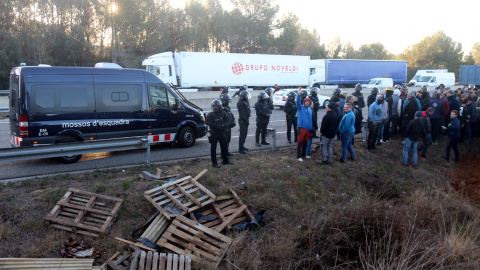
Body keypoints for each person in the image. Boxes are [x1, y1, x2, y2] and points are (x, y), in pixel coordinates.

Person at [206, 100, 233, 168]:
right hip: (214, 133)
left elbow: (228, 122)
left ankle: (225, 160)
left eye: (217, 106)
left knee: (224, 147)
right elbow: (209, 123)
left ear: (219, 106)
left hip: (222, 132)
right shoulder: (210, 114)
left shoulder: (224, 113)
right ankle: (214, 163)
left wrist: (223, 125)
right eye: (214, 106)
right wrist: (217, 126)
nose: (215, 107)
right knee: (213, 148)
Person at [296, 88, 313, 161]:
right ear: (304, 102)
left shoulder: (310, 109)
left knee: (305, 142)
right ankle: (298, 156)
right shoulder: (300, 108)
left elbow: (310, 119)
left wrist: (311, 128)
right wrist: (299, 95)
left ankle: (304, 154)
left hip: (308, 129)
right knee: (300, 142)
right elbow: (297, 102)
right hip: (302, 127)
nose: (307, 103)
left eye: (309, 102)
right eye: (306, 101)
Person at [237, 90, 250, 154]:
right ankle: (240, 148)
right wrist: (246, 120)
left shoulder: (245, 101)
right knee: (242, 134)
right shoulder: (240, 103)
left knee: (245, 134)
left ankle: (243, 146)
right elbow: (242, 114)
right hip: (243, 120)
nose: (247, 97)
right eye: (246, 95)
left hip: (246, 119)